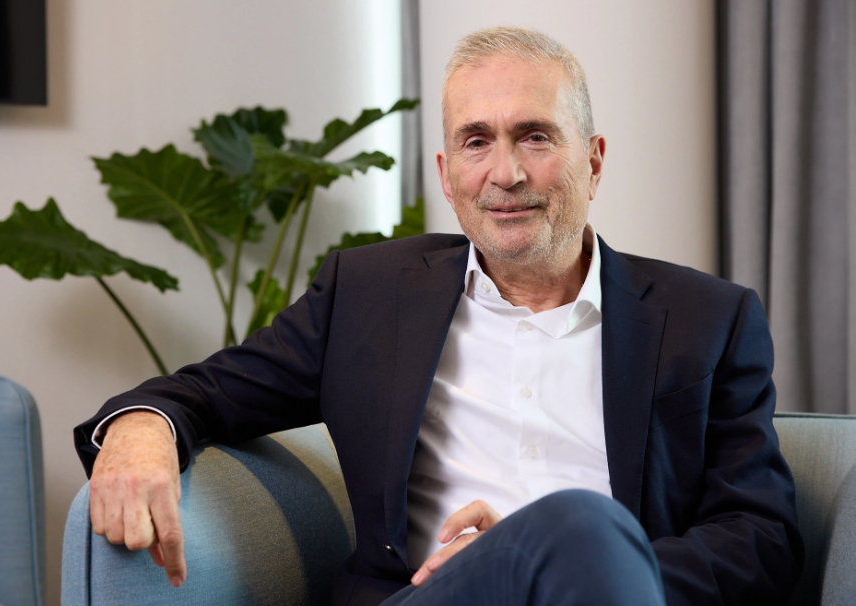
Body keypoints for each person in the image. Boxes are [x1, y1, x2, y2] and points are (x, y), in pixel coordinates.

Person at [74, 26, 804, 606]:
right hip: (430, 595)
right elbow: (207, 391)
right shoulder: (367, 295)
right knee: (578, 523)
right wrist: (142, 430)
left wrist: (559, 560)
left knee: (580, 525)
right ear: (448, 177)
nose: (505, 173)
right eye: (476, 141)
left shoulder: (708, 318)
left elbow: (760, 538)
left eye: (535, 136)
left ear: (594, 160)